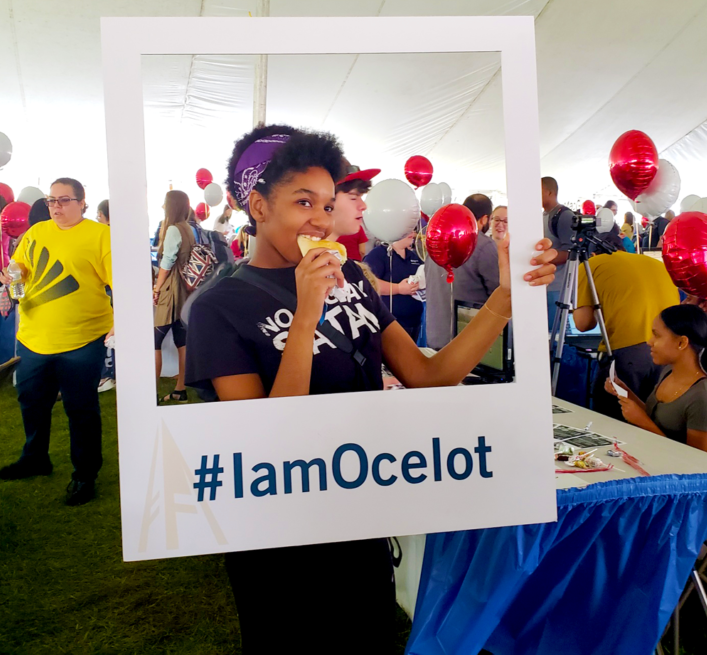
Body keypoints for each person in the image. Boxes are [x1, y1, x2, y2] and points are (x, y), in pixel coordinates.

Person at [183, 124, 557, 652]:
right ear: (259, 206)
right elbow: (262, 438)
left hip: (359, 520)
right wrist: (306, 310)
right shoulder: (219, 308)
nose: (321, 217)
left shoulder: (354, 278)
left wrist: (504, 297)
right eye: (302, 201)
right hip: (280, 545)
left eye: (328, 202)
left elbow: (429, 376)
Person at [0, 177, 113, 507]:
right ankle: (35, 457)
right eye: (51, 201)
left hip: (82, 339)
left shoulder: (100, 236)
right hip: (34, 337)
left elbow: (119, 281)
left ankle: (84, 474)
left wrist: (118, 324)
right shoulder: (36, 232)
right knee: (31, 401)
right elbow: (20, 267)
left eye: (64, 200)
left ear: (82, 203)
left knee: (81, 409)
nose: (56, 207)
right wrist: (12, 273)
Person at [574, 249, 681, 417]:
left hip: (627, 353)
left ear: (593, 253)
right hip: (669, 351)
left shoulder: (589, 265)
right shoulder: (656, 264)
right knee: (654, 417)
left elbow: (583, 324)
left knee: (612, 419)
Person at [606, 304, 707, 453]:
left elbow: (698, 463)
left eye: (657, 335)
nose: (649, 341)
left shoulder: (704, 397)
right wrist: (626, 392)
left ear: (682, 343)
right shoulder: (668, 372)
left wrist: (644, 423)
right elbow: (658, 417)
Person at [426, 193, 500, 349]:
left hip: (435, 334)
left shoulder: (435, 240)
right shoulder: (484, 245)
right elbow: (499, 294)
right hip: (466, 343)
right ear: (485, 219)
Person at [152, 190, 194, 403]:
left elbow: (167, 261)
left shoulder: (172, 230)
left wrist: (157, 287)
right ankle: (180, 390)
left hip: (171, 288)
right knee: (181, 340)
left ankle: (152, 394)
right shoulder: (188, 228)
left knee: (154, 342)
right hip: (185, 289)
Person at [364, 231, 422, 342]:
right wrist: (398, 288)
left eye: (412, 228)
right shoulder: (378, 254)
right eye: (407, 229)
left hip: (414, 321)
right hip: (390, 323)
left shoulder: (414, 256)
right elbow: (369, 283)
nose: (412, 233)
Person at [541, 177, 576, 330]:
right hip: (544, 285)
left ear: (549, 192)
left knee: (554, 334)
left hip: (558, 287)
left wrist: (542, 258)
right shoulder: (544, 215)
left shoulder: (563, 216)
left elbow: (571, 252)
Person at [333, 163, 380, 260]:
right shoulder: (302, 266)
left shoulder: (350, 268)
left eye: (361, 197)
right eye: (353, 198)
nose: (363, 206)